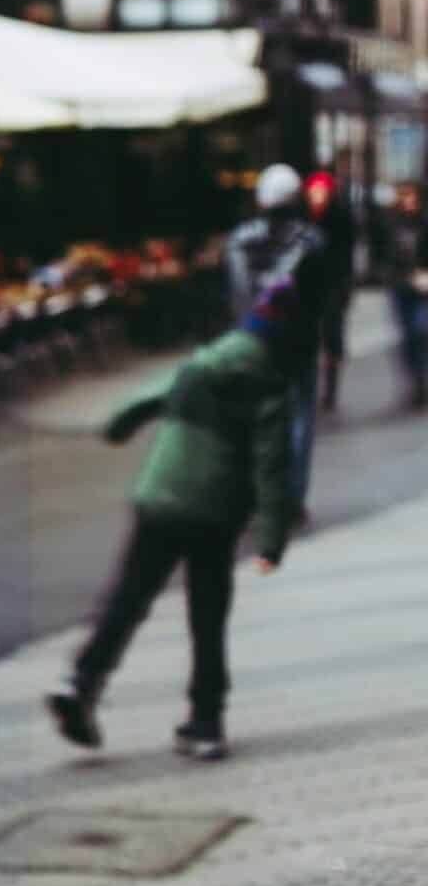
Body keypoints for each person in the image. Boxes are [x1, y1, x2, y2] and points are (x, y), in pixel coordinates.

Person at [46, 272, 299, 762]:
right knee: (207, 617)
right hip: (214, 512)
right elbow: (272, 471)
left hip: (160, 494)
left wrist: (117, 426)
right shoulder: (271, 386)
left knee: (129, 596)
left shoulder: (202, 363)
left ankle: (82, 681)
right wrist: (271, 542)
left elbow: (143, 400)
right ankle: (205, 723)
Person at [223, 163, 321, 519]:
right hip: (297, 344)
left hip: (252, 342)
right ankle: (290, 498)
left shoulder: (238, 240)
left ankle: (259, 495)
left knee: (256, 421)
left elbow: (234, 295)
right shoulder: (309, 241)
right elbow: (318, 299)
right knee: (298, 420)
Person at [303, 169, 358, 412]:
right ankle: (313, 387)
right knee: (311, 339)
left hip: (333, 287)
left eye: (321, 192)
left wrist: (345, 288)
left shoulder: (340, 217)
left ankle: (330, 389)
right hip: (310, 289)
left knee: (332, 339)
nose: (317, 196)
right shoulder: (304, 218)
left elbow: (346, 256)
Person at [383, 181, 428, 410]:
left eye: (412, 195)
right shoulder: (392, 223)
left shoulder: (423, 222)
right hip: (400, 286)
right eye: (404, 196)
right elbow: (383, 252)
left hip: (423, 287)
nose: (409, 200)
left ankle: (421, 377)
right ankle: (416, 380)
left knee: (421, 329)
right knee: (408, 335)